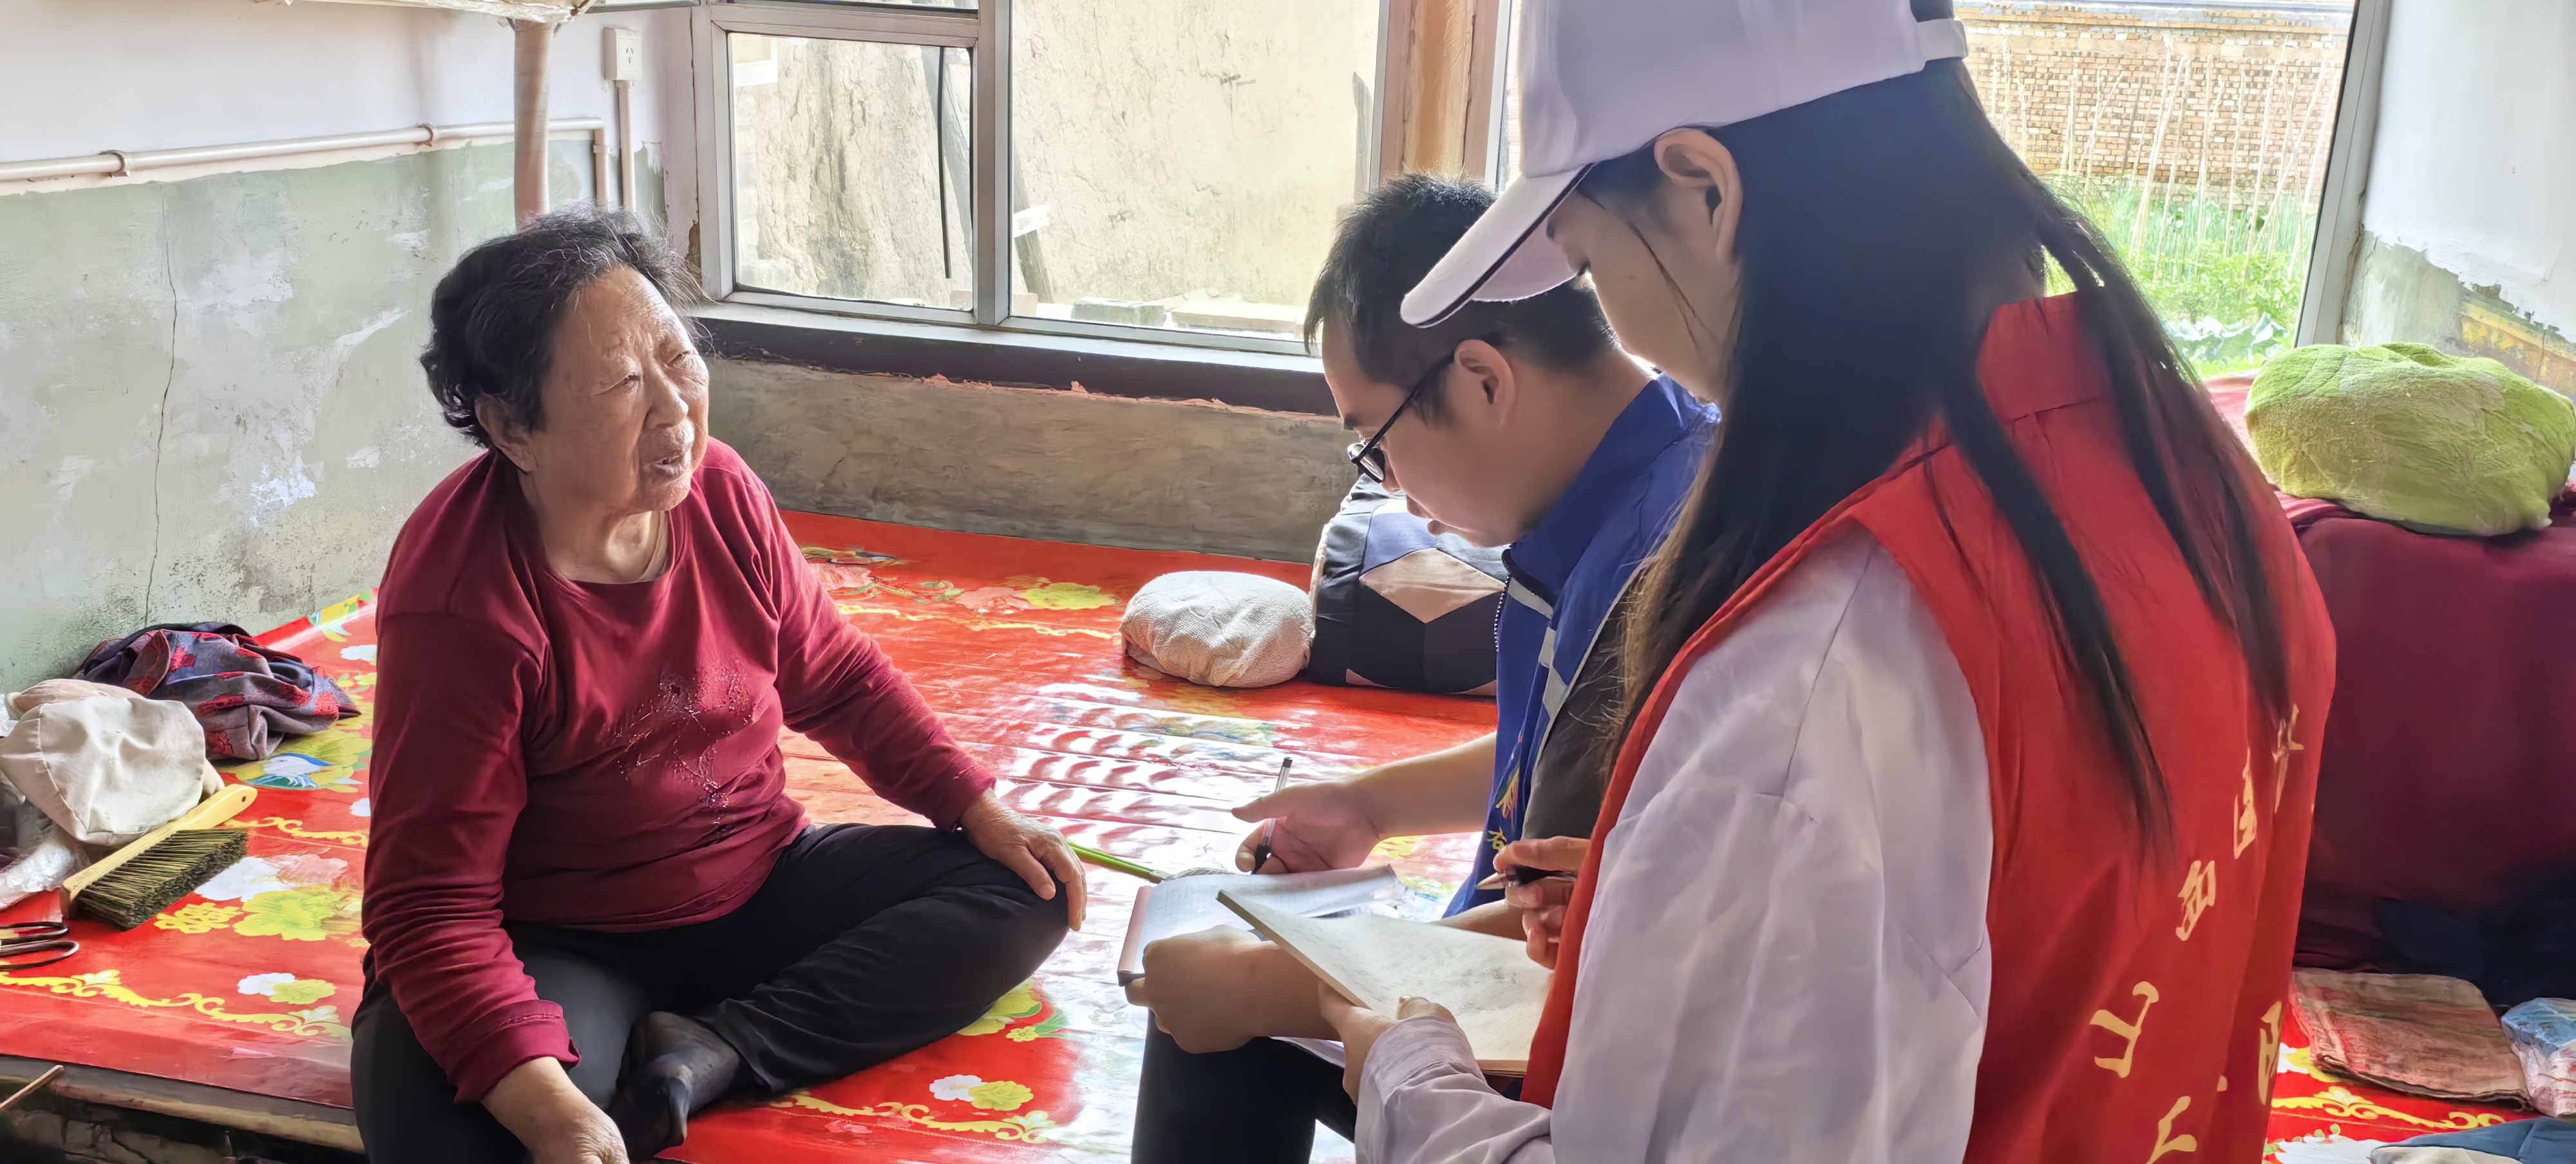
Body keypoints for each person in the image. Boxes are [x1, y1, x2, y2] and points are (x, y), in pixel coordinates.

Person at [1321, 1, 2337, 1161]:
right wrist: (1687, 890)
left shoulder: (1821, 674)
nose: (1626, 328)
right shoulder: (2195, 470)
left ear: (1704, 187)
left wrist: (1410, 1075)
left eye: (1593, 262)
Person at [352, 207, 1084, 1164]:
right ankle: (630, 1060)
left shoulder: (723, 493)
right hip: (565, 938)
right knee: (449, 1109)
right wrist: (547, 1107)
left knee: (1024, 889)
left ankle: (716, 1049)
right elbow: (430, 906)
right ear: (512, 427)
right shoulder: (463, 601)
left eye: (679, 358)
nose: (676, 410)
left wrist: (977, 808)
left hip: (757, 882)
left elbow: (837, 676)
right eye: (623, 383)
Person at [1124, 174, 1717, 1163]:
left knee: (1206, 1009)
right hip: (1501, 981)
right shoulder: (1631, 481)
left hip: (1551, 1057)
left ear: (1484, 382)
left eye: (1377, 442)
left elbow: (1582, 939)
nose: (1390, 487)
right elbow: (1561, 755)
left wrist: (1264, 989)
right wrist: (1370, 805)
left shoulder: (1662, 573)